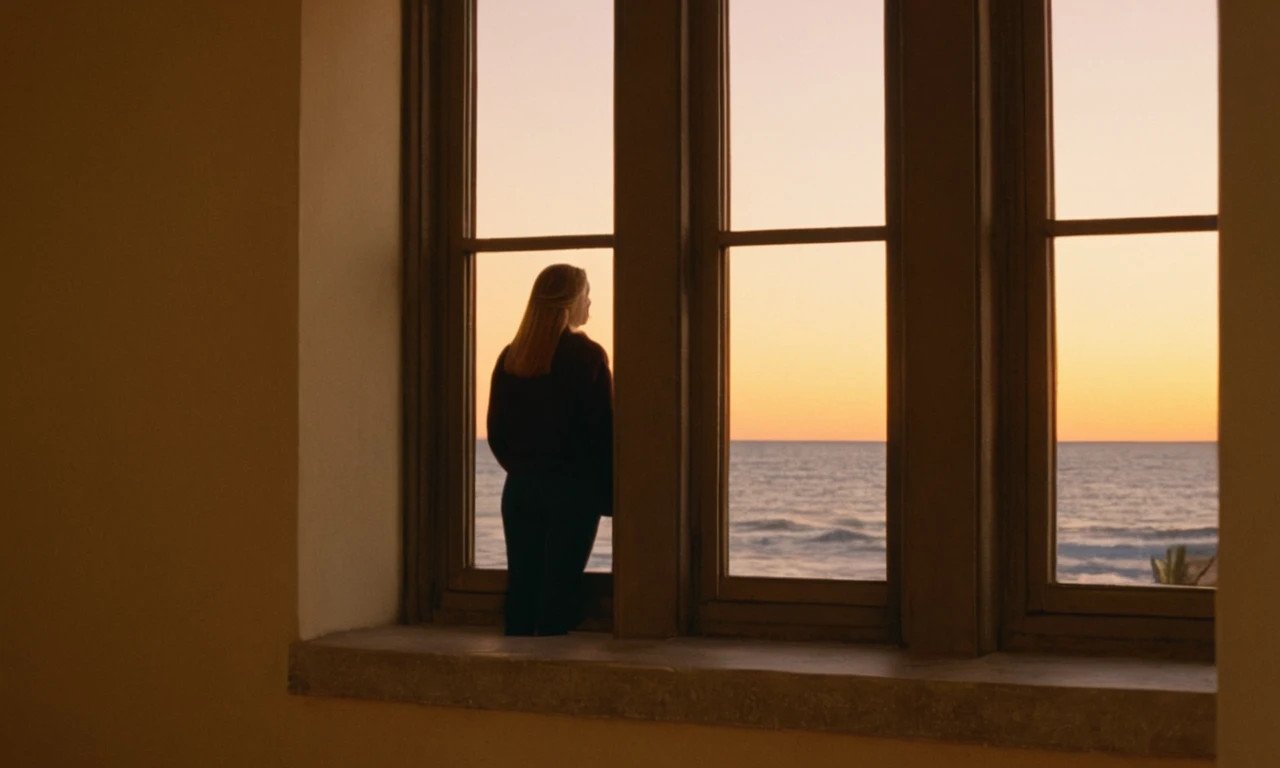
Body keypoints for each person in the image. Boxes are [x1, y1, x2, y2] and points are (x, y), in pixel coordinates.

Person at [486, 264, 613, 636]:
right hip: (572, 493)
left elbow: (497, 435)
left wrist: (525, 470)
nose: (591, 302)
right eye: (587, 294)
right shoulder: (587, 356)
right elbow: (601, 432)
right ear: (571, 302)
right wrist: (609, 495)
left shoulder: (512, 356)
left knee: (523, 595)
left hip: (520, 492)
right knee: (557, 597)